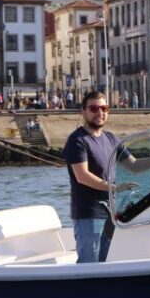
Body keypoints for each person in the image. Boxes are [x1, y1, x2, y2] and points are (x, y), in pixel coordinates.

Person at [62, 91, 126, 263]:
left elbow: (134, 165)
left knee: (107, 263)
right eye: (94, 108)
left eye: (104, 108)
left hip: (112, 213)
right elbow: (82, 176)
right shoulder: (77, 140)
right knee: (89, 264)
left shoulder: (111, 138)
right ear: (83, 112)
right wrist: (114, 187)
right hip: (89, 214)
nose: (100, 112)